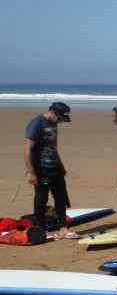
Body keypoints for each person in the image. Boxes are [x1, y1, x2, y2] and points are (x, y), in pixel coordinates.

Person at [24, 102, 78, 239]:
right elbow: (27, 149)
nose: (60, 121)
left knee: (61, 198)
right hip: (41, 169)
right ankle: (42, 229)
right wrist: (31, 172)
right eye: (59, 118)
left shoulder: (53, 123)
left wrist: (60, 164)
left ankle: (63, 229)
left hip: (55, 168)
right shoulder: (36, 123)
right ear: (52, 112)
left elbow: (52, 147)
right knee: (41, 199)